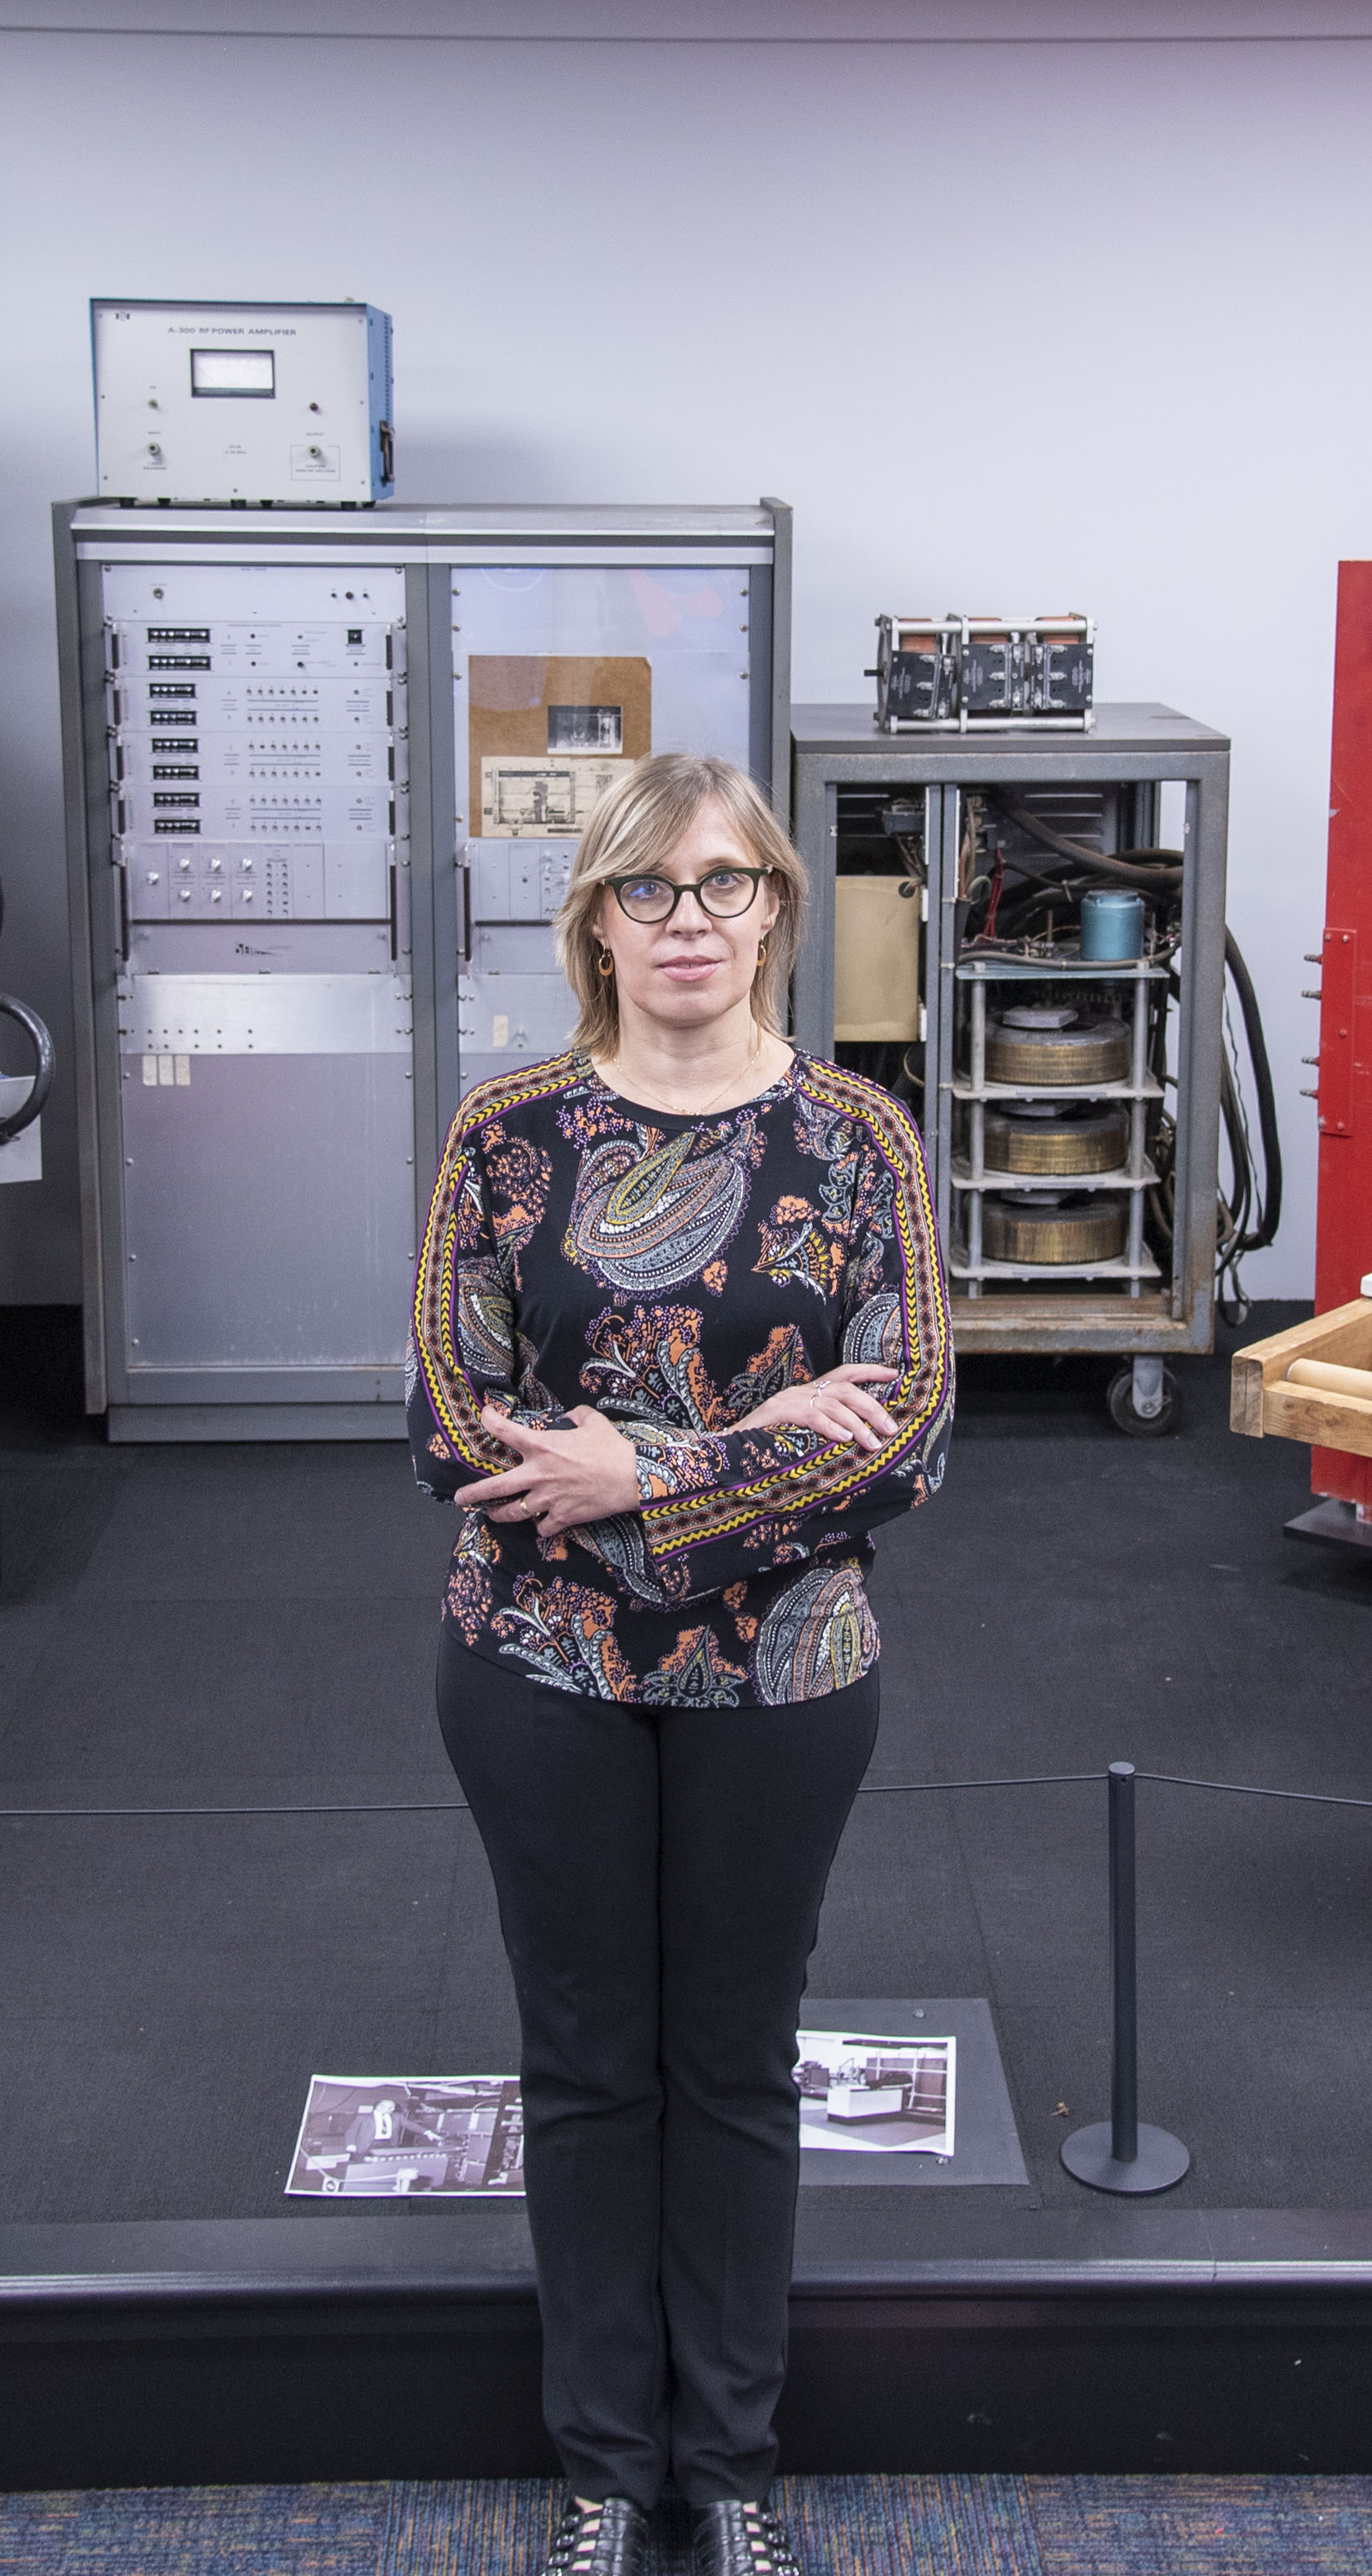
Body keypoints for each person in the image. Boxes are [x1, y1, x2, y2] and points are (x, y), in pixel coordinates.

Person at [410, 751, 953, 2576]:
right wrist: (761, 1438)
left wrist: (640, 1463)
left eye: (724, 885)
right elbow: (449, 1429)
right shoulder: (506, 1137)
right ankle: (598, 2470)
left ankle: (724, 2470)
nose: (689, 922)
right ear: (593, 920)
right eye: (649, 888)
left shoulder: (858, 1142)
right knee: (580, 2066)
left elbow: (909, 1431)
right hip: (536, 1667)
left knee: (733, 2062)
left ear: (778, 908)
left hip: (785, 1679)